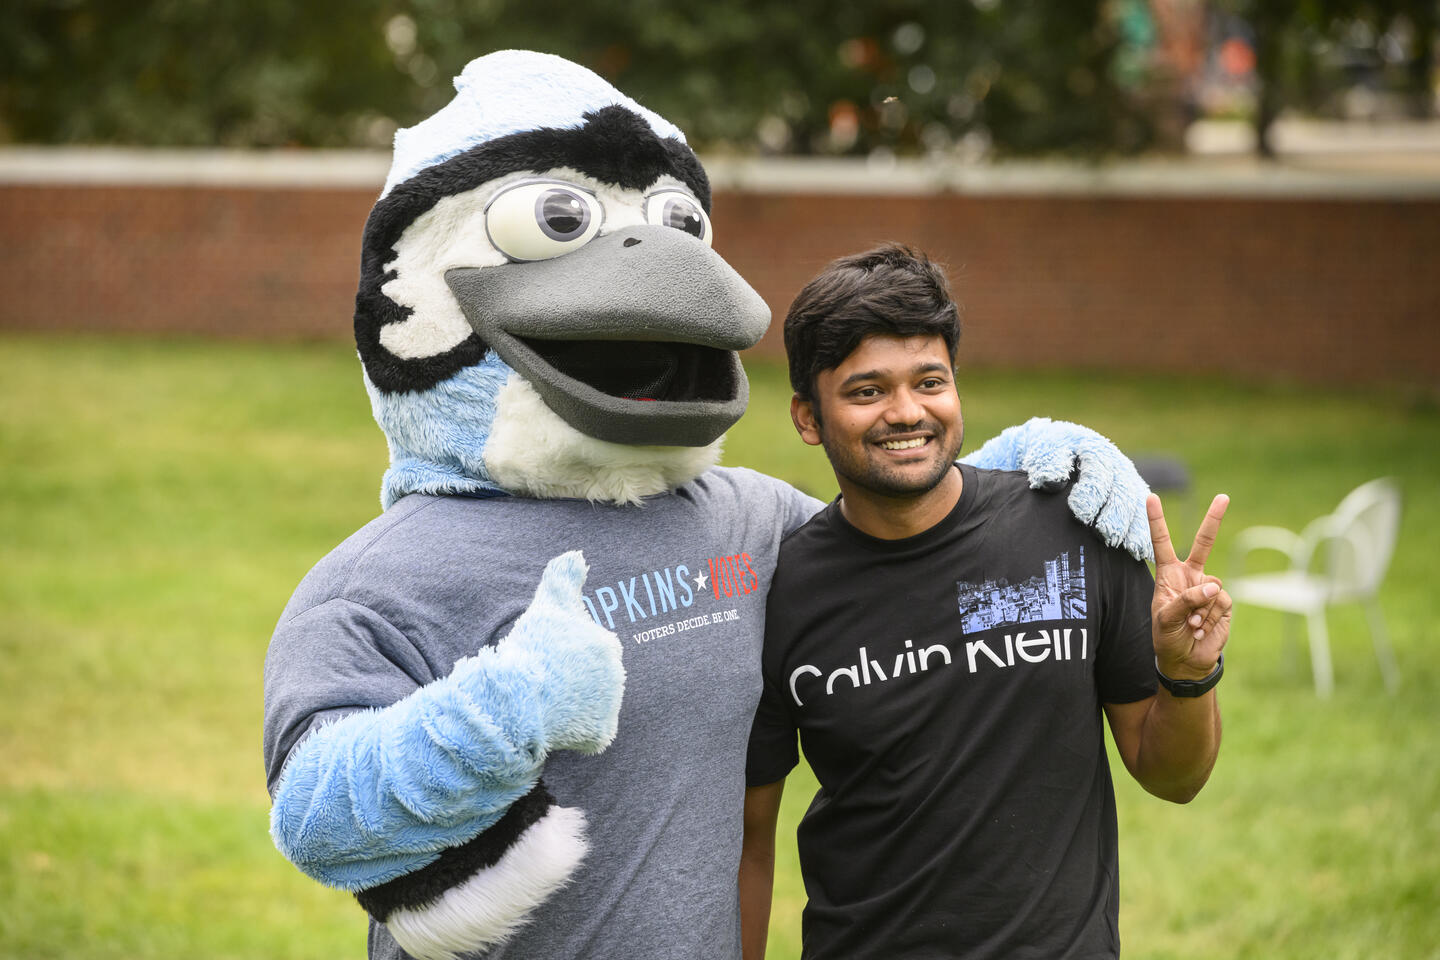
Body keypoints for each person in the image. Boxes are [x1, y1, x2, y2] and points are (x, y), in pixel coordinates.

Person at [740, 244, 1232, 960]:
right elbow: (748, 843)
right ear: (808, 417)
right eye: (867, 390)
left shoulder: (1072, 526)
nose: (907, 412)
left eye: (929, 381)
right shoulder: (782, 591)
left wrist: (1186, 675)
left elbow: (1173, 777)